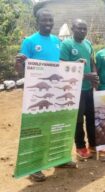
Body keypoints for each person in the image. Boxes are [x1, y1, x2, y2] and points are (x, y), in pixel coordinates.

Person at [15, 9, 77, 182]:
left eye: (51, 20)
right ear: (38, 22)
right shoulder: (29, 42)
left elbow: (61, 65)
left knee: (58, 125)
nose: (48, 23)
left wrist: (76, 67)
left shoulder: (57, 41)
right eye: (45, 21)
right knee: (38, 128)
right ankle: (34, 167)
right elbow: (21, 70)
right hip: (37, 93)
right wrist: (18, 63)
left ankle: (60, 159)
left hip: (56, 92)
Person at [60, 19, 99, 159]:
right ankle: (80, 147)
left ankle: (93, 144)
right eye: (79, 28)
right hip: (75, 90)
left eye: (84, 29)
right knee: (78, 120)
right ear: (72, 29)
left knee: (91, 117)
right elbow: (63, 66)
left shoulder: (88, 44)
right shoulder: (66, 44)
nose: (82, 31)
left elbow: (92, 62)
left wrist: (94, 75)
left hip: (89, 89)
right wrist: (85, 76)